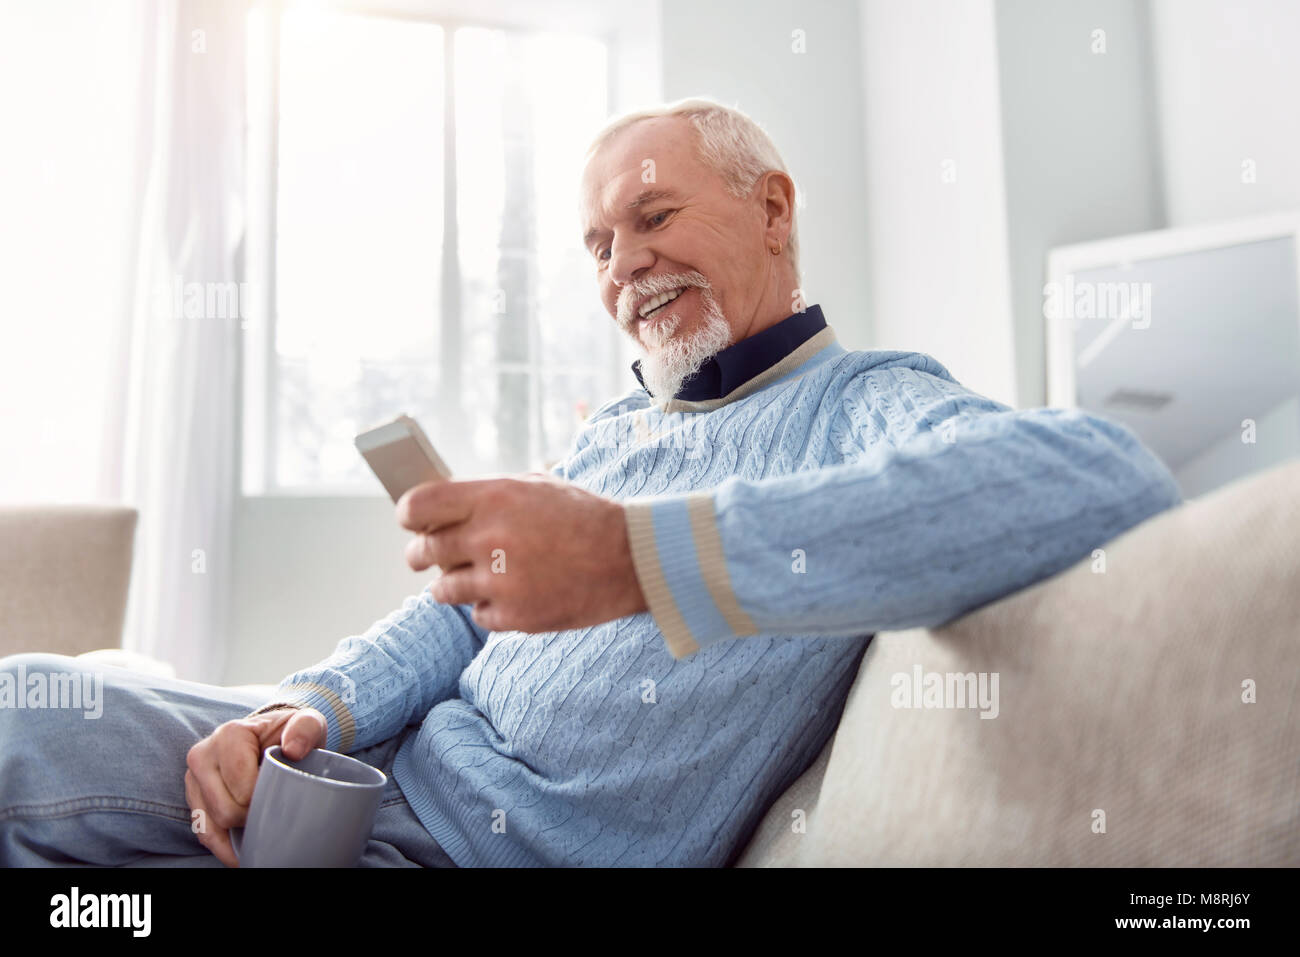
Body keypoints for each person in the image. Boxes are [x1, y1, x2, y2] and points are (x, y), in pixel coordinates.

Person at [0, 98, 1183, 867]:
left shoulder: (861, 404)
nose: (625, 266)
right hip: (363, 770)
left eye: (653, 216)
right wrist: (311, 709)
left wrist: (633, 558)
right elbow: (454, 620)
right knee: (27, 705)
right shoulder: (616, 429)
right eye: (599, 247)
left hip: (455, 855)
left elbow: (1102, 478)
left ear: (773, 211)